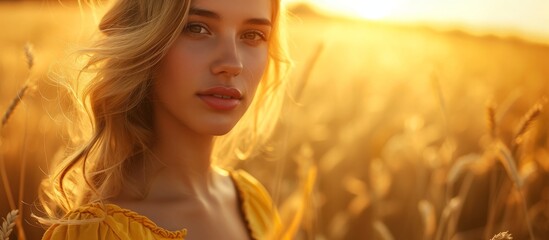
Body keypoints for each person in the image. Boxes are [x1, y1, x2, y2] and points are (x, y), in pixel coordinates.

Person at [37, 0, 291, 239]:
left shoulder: (252, 200)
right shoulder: (99, 232)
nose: (232, 64)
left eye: (253, 35)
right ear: (146, 38)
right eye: (197, 28)